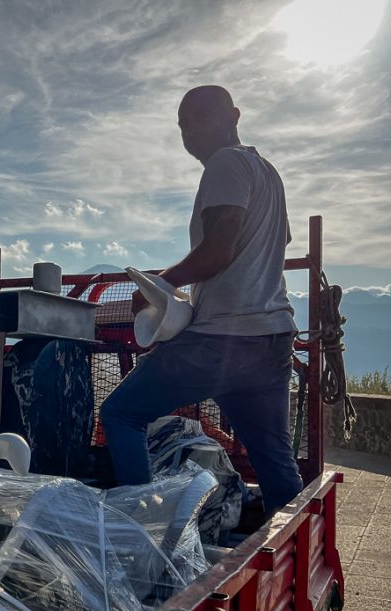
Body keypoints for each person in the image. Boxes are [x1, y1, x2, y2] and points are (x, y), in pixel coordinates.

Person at [99, 85, 303, 518]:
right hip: (273, 338)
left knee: (121, 414)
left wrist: (159, 284)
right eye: (183, 124)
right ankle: (297, 550)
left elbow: (218, 251)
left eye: (201, 117)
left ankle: (145, 533)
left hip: (224, 337)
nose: (190, 130)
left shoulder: (225, 163)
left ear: (233, 116)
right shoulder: (266, 171)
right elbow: (280, 239)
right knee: (273, 459)